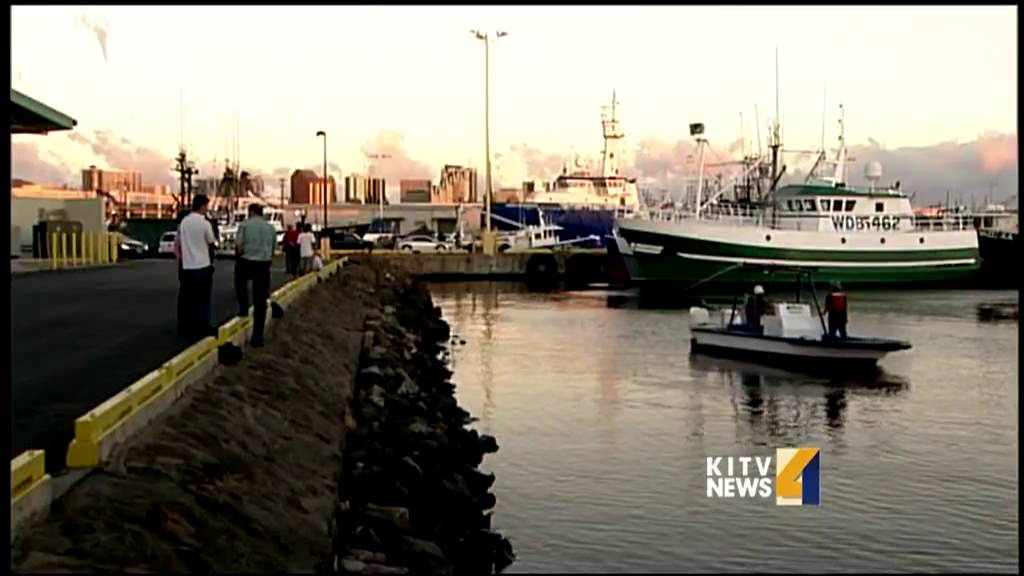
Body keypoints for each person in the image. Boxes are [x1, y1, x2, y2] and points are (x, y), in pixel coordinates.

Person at [176, 195, 218, 340]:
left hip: (187, 267)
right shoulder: (205, 223)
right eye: (206, 206)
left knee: (188, 300)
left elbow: (180, 243)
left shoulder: (184, 223)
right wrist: (212, 261)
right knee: (203, 299)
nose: (207, 209)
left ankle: (187, 328)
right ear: (201, 206)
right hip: (203, 266)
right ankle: (203, 327)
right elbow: (211, 243)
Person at [234, 203, 277, 347]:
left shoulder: (244, 225)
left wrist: (239, 254)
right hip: (263, 264)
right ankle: (257, 337)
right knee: (260, 300)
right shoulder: (270, 228)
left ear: (250, 212)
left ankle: (243, 308)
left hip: (246, 261)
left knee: (240, 282)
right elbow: (273, 247)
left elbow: (239, 245)